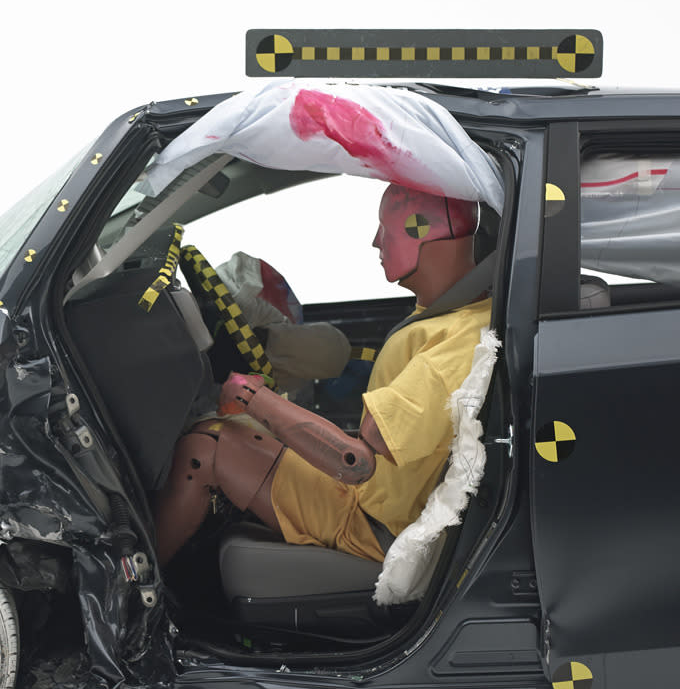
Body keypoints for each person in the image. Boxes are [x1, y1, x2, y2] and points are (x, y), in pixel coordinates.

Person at [153, 183, 493, 566]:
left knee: (203, 449)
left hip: (369, 523)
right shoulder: (452, 313)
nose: (376, 241)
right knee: (232, 426)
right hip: (374, 499)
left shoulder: (456, 344)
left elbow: (355, 463)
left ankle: (136, 588)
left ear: (420, 232)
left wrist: (252, 396)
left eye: (386, 228)